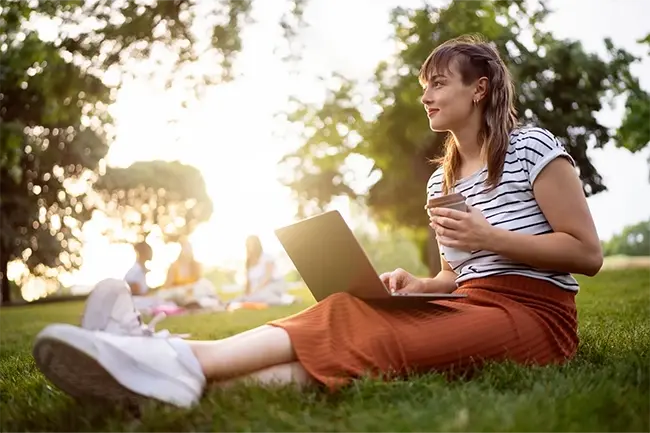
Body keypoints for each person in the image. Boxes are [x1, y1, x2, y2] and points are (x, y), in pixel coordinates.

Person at [31, 34, 603, 409]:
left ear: (479, 89)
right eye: (423, 85)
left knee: (367, 332)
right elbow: (463, 274)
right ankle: (146, 389)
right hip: (471, 301)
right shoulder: (441, 182)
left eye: (438, 83)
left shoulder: (531, 147)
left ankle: (170, 355)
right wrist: (422, 285)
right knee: (349, 312)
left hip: (536, 315)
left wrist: (491, 236)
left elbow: (586, 253)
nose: (425, 95)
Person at [230, 235, 293, 306]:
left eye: (252, 244)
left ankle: (287, 299)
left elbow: (268, 277)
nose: (250, 247)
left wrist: (256, 290)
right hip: (258, 289)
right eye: (248, 245)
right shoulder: (248, 262)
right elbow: (248, 283)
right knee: (246, 298)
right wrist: (247, 293)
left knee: (260, 296)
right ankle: (227, 303)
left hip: (273, 284)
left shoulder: (266, 257)